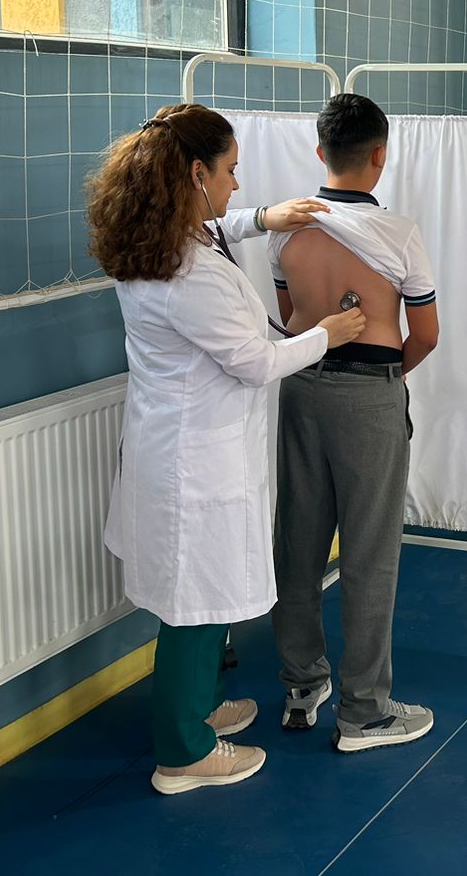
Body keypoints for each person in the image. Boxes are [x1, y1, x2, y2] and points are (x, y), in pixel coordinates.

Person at [86, 104, 367, 795]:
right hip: (194, 462)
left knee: (201, 594)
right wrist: (333, 331)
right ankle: (182, 753)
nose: (237, 186)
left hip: (173, 443)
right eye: (231, 171)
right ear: (194, 173)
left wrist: (266, 219)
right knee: (194, 605)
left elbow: (215, 229)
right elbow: (256, 362)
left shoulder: (151, 240)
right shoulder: (189, 276)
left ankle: (201, 709)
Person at [269, 94, 442, 753]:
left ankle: (300, 684)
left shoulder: (286, 230)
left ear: (320, 153)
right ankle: (364, 710)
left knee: (299, 543)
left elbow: (291, 320)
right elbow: (424, 335)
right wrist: (383, 377)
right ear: (380, 155)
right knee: (370, 554)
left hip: (300, 388)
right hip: (369, 391)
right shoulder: (398, 233)